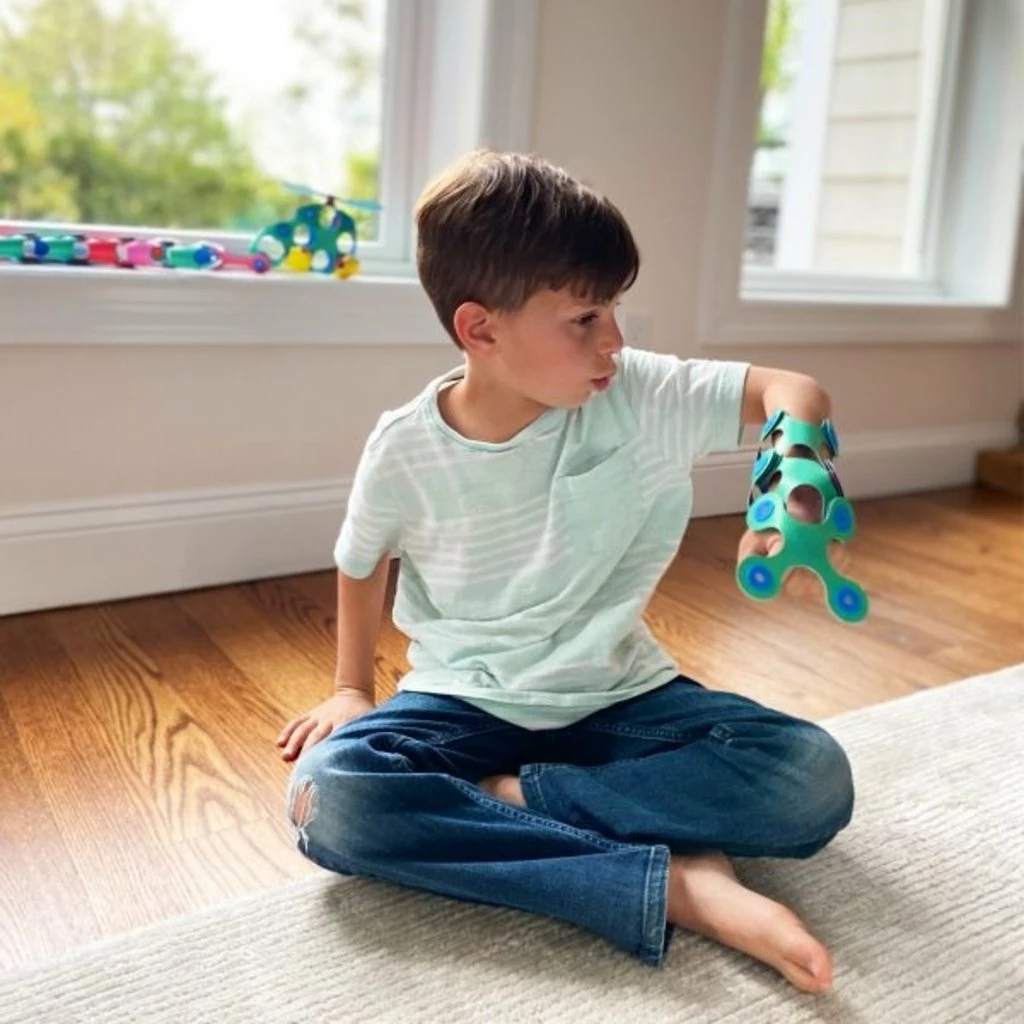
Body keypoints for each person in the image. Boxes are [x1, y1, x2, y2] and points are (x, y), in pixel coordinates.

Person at [277, 150, 854, 994]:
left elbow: (792, 390)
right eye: (585, 317)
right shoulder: (404, 446)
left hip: (620, 695)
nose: (613, 338)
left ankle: (511, 800)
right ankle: (677, 885)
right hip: (463, 699)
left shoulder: (638, 392)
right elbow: (361, 560)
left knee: (811, 778)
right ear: (481, 330)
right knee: (333, 799)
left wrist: (792, 490)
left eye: (613, 308)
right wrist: (349, 690)